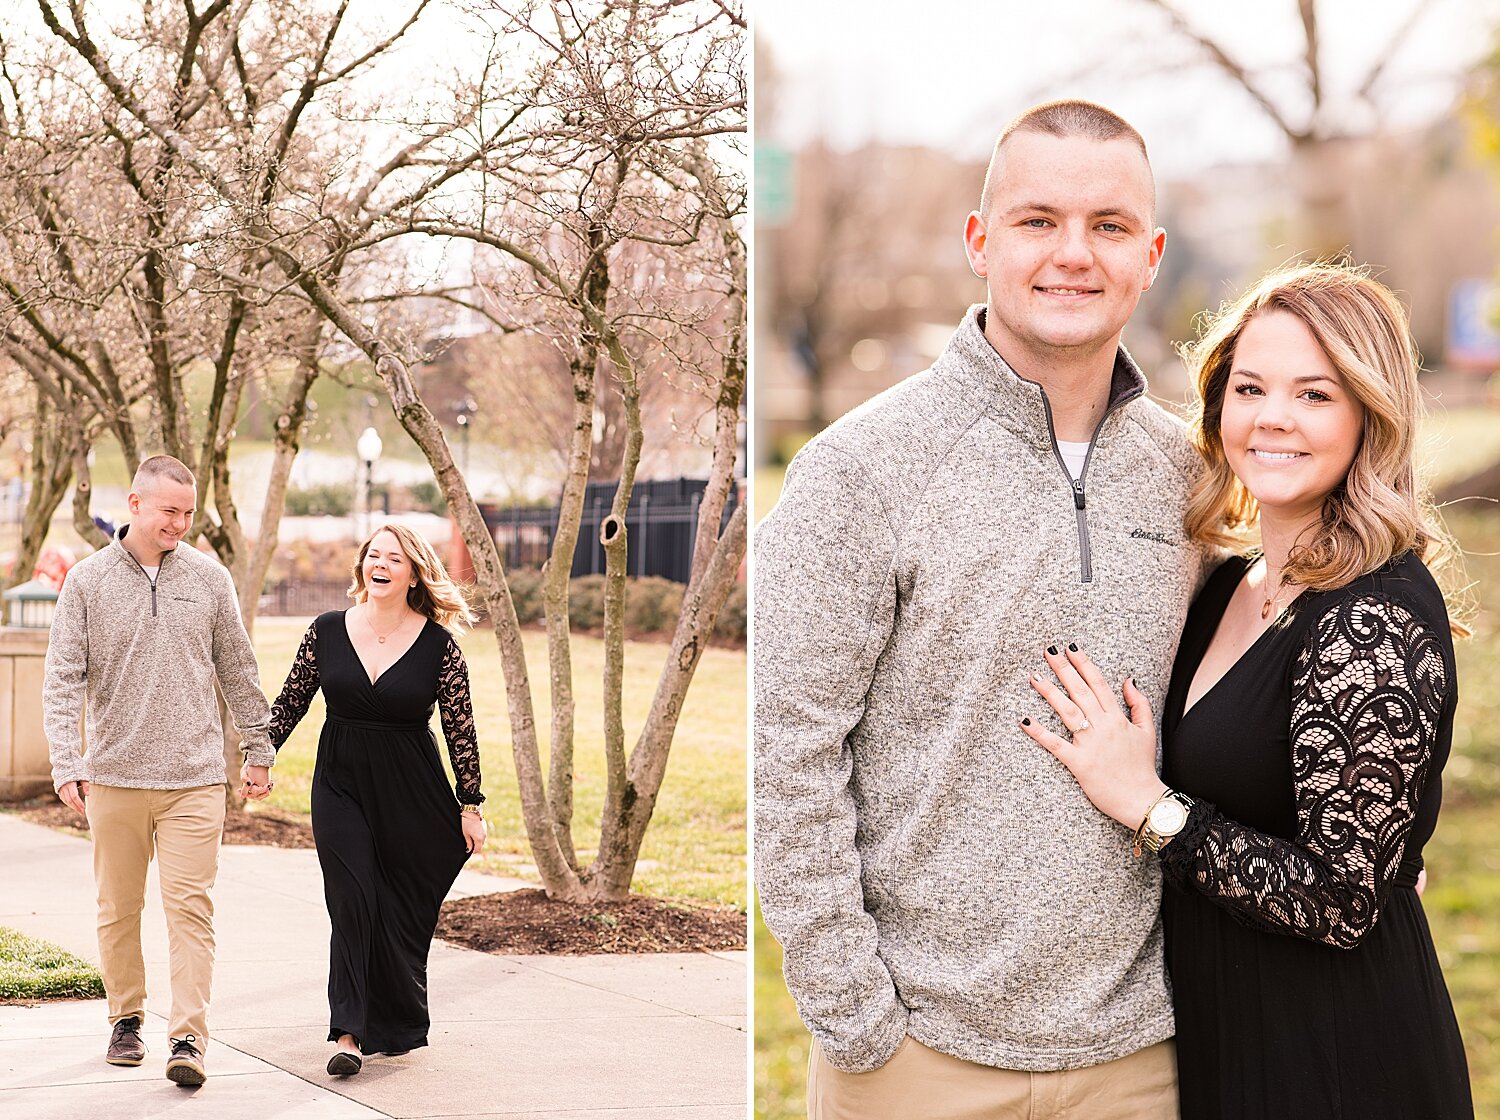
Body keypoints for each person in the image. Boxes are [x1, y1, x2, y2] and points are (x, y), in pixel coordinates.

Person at [755, 100, 1207, 1119]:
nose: (1073, 255)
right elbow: (786, 751)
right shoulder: (858, 472)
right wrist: (858, 1017)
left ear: (1151, 253)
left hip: (1144, 1058)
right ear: (980, 240)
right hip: (916, 1058)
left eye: (1109, 226)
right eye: (1038, 220)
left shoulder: (1194, 480)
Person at [1022, 262, 1473, 1118]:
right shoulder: (1231, 583)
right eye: (1251, 387)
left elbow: (1343, 902)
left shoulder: (1369, 617)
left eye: (1315, 395)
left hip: (1338, 1056)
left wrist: (1147, 805)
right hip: (1227, 1031)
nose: (1273, 418)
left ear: (1368, 417)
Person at [43, 454, 275, 1087]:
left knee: (190, 910)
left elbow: (237, 669)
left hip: (194, 780)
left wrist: (258, 749)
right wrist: (68, 762)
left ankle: (188, 1038)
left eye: (188, 512)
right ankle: (126, 1018)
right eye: (169, 511)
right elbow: (63, 679)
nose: (180, 523)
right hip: (113, 776)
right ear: (135, 504)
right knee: (118, 909)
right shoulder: (87, 582)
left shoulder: (210, 578)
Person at [266, 523, 486, 1077]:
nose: (380, 564)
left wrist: (470, 804)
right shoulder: (326, 630)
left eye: (394, 557)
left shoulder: (439, 645)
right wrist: (258, 753)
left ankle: (390, 1019)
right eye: (373, 555)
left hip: (410, 790)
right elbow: (291, 699)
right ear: (363, 566)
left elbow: (461, 727)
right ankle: (348, 1033)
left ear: (414, 572)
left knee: (393, 907)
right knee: (351, 899)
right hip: (339, 783)